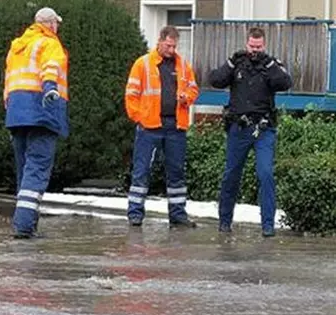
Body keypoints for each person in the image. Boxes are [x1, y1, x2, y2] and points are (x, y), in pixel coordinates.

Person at [208, 27, 293, 237]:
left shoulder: (271, 65)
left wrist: (270, 64)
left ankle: (267, 226)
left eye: (259, 46)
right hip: (239, 128)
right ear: (247, 44)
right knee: (231, 176)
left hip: (263, 129)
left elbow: (285, 83)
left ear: (264, 45)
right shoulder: (237, 64)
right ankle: (225, 222)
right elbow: (215, 80)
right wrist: (230, 63)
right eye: (252, 46)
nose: (255, 50)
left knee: (265, 174)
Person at [3, 7, 69, 239]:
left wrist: (10, 108)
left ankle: (27, 224)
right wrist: (50, 88)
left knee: (25, 170)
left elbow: (9, 81)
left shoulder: (17, 47)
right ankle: (23, 226)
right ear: (50, 24)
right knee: (37, 168)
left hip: (16, 114)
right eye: (56, 24)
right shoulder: (49, 43)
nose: (57, 28)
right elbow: (50, 68)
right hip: (41, 111)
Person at [124, 26, 199, 228]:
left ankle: (178, 215)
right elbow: (131, 94)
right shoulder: (143, 64)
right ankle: (135, 213)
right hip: (149, 126)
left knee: (176, 172)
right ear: (159, 41)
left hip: (175, 125)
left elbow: (193, 88)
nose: (171, 49)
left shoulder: (182, 65)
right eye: (168, 45)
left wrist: (186, 98)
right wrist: (139, 118)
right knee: (142, 170)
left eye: (174, 46)